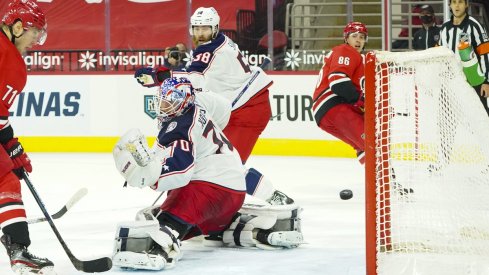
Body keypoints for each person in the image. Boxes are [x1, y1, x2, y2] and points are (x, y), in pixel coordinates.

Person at [111, 78, 303, 270]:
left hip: (211, 193)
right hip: (231, 198)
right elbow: (224, 113)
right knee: (172, 210)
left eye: (171, 100)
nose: (164, 105)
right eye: (162, 99)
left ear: (185, 100)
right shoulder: (198, 110)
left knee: (165, 221)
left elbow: (181, 171)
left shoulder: (180, 126)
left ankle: (157, 245)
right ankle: (236, 226)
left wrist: (147, 177)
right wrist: (269, 192)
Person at [134, 7, 295, 206]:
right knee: (213, 158)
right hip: (238, 108)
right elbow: (196, 73)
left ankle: (273, 196)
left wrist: (159, 76)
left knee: (227, 164)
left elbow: (193, 82)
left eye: (205, 28)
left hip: (247, 110)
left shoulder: (208, 49)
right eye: (197, 28)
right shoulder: (219, 42)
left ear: (216, 27)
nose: (200, 33)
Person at [0, 0, 55, 274]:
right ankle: (19, 252)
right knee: (4, 180)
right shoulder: (10, 59)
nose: (36, 40)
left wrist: (11, 145)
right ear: (18, 27)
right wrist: (11, 146)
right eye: (35, 31)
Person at [312, 22, 367, 164]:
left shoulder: (359, 60)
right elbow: (338, 83)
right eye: (354, 36)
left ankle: (377, 183)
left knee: (362, 147)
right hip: (336, 107)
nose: (358, 40)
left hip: (326, 114)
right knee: (373, 143)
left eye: (362, 37)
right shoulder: (346, 51)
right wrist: (361, 100)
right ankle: (386, 185)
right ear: (346, 38)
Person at [438, 0, 489, 115]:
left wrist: (486, 81)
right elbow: (439, 55)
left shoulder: (475, 25)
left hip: (473, 79)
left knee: (480, 116)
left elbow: (485, 53)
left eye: (460, 2)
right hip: (450, 80)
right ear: (449, 5)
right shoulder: (444, 28)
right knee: (449, 117)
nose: (457, 5)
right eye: (454, 2)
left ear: (466, 5)